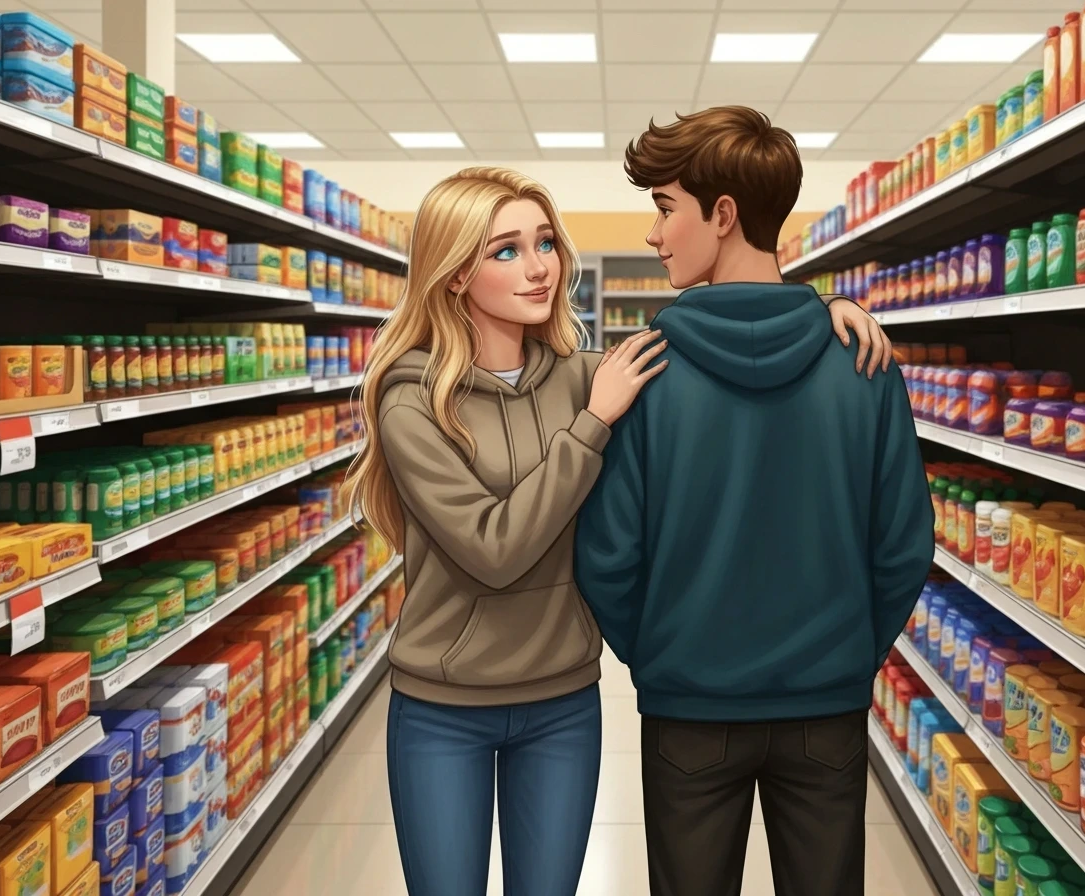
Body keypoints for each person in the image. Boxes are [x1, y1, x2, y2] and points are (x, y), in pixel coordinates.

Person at [343, 165, 895, 896]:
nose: (539, 267)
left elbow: (726, 344)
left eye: (546, 243)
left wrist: (824, 312)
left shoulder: (584, 375)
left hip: (562, 701)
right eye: (506, 250)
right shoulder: (415, 401)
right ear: (454, 274)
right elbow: (492, 550)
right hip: (445, 706)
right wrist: (592, 426)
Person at [572, 107, 937, 896]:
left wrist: (663, 657)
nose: (654, 234)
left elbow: (607, 554)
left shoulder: (644, 373)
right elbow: (905, 544)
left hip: (689, 707)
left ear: (724, 214)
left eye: (665, 208)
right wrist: (847, 653)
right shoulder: (861, 361)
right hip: (826, 706)